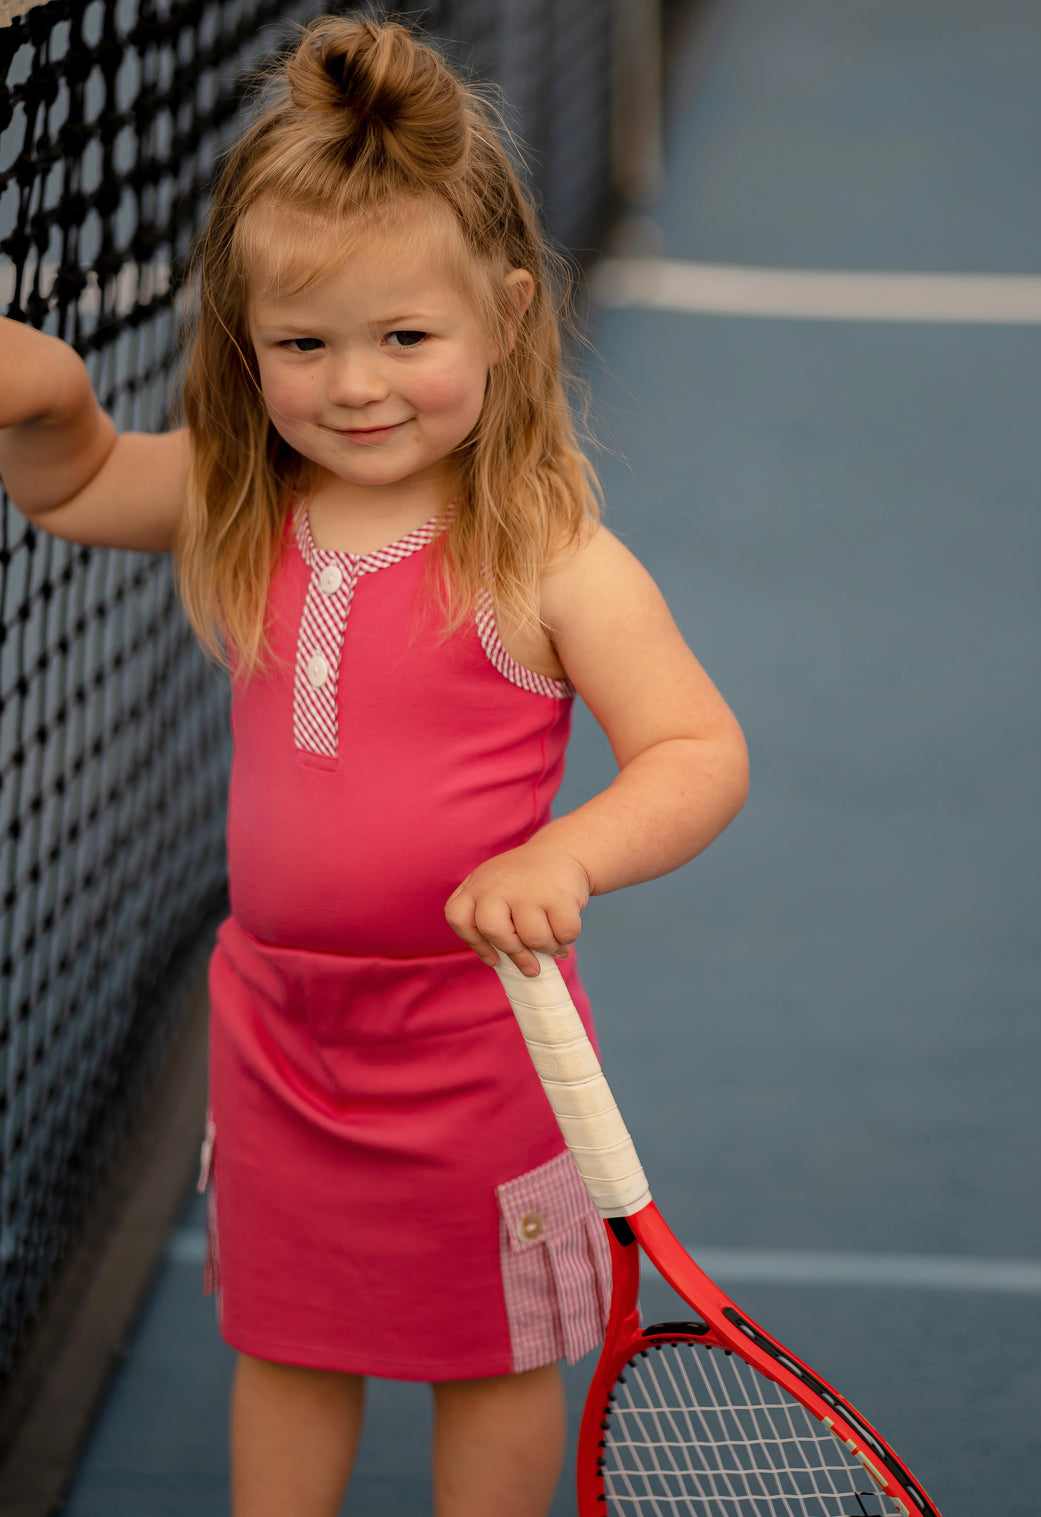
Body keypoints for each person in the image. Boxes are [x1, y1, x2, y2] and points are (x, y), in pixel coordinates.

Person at [0, 15, 748, 1517]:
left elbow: (697, 748)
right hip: (280, 1034)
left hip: (480, 1039)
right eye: (304, 343)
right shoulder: (242, 499)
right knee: (288, 1343)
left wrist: (567, 853)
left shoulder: (549, 556)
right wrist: (48, 399)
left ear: (509, 318)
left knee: (488, 1357)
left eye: (407, 338)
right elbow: (77, 479)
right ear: (246, 347)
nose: (357, 386)